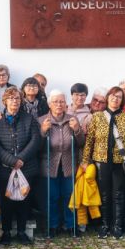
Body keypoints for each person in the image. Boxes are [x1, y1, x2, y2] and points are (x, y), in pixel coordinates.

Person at [81, 86, 125, 239]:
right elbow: (89, 141)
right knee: (104, 195)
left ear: (122, 100)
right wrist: (85, 160)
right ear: (108, 97)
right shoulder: (97, 117)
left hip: (120, 162)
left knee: (118, 194)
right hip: (101, 161)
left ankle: (117, 226)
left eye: (118, 97)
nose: (115, 98)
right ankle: (104, 225)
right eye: (113, 95)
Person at [0, 86, 41, 245]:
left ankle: (21, 231)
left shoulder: (29, 118)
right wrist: (11, 160)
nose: (15, 101)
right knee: (6, 202)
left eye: (18, 98)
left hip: (26, 168)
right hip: (5, 169)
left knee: (24, 201)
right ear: (5, 101)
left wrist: (21, 158)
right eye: (11, 98)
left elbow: (35, 140)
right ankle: (6, 232)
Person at [39, 89, 85, 238]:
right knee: (52, 196)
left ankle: (71, 225)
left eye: (61, 102)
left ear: (66, 104)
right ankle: (52, 225)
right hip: (49, 164)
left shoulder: (72, 119)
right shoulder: (41, 120)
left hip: (68, 163)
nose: (59, 104)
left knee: (69, 195)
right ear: (49, 104)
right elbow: (37, 146)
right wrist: (42, 131)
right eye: (55, 102)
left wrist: (77, 130)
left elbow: (81, 143)